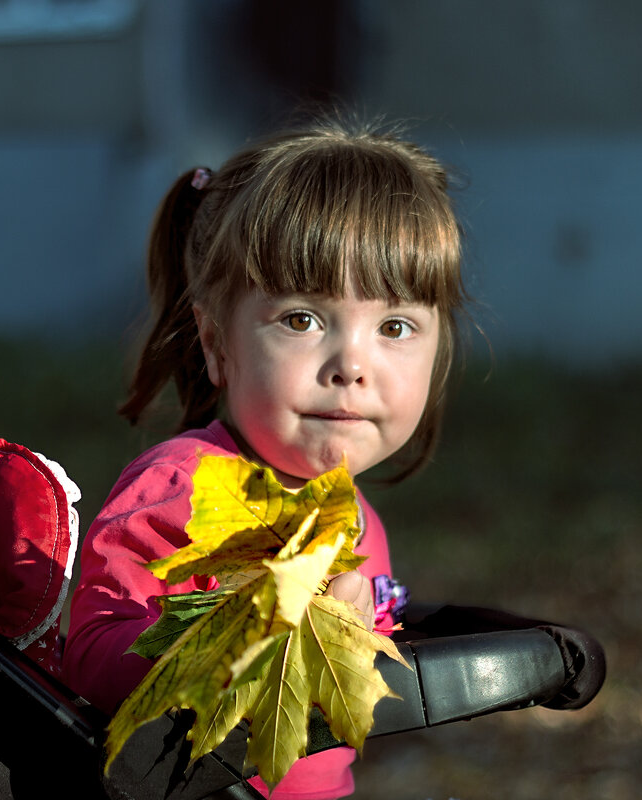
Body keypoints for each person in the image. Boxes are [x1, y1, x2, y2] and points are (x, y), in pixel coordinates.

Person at [63, 116, 468, 799]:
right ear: (218, 344)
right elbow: (94, 652)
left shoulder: (357, 517)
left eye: (395, 327)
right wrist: (239, 636)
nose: (351, 365)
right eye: (302, 319)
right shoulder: (184, 483)